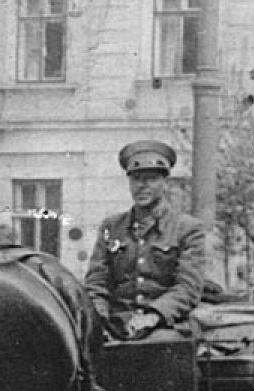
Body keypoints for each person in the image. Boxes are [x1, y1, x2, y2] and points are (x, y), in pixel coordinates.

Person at [84, 140, 206, 341]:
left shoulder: (187, 229)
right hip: (117, 324)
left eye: (151, 179)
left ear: (165, 183)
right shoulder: (112, 227)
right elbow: (97, 282)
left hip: (166, 324)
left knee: (159, 345)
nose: (142, 186)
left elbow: (188, 287)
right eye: (136, 179)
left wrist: (153, 316)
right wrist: (99, 318)